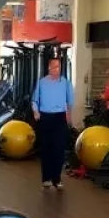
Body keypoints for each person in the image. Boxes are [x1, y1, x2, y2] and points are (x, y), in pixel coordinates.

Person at [32, 58, 73, 190]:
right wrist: (35, 112)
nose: (57, 69)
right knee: (46, 148)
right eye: (54, 67)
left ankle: (57, 178)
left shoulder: (65, 83)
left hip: (59, 117)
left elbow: (70, 101)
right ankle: (46, 178)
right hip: (45, 117)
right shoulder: (42, 82)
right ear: (49, 68)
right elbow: (34, 100)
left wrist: (69, 116)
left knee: (59, 148)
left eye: (58, 67)